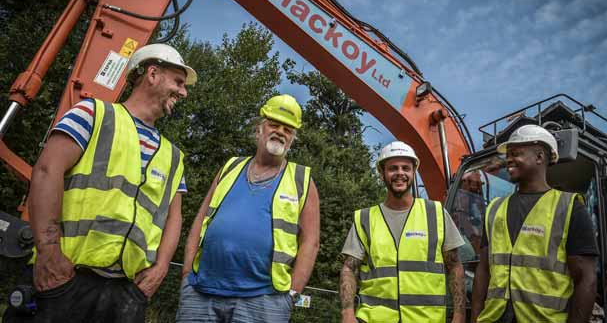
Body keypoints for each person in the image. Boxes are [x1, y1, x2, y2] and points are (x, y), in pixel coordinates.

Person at [25, 43, 196, 323]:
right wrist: (47, 252)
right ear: (152, 74)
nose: (183, 91)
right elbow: (46, 171)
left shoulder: (174, 156)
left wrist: (161, 268)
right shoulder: (93, 114)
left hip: (127, 292)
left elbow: (174, 217)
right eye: (178, 81)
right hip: (67, 277)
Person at [176, 94, 320, 323]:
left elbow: (310, 242)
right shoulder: (231, 166)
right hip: (201, 291)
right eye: (274, 124)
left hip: (264, 299)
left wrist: (292, 294)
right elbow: (201, 220)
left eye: (288, 129)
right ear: (259, 130)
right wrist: (186, 273)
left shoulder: (302, 178)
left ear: (292, 139)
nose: (281, 132)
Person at [471, 125, 598, 323]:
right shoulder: (495, 209)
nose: (509, 160)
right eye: (508, 155)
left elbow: (586, 279)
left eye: (516, 153)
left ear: (539, 157)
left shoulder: (569, 207)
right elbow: (484, 270)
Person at [339, 141, 467, 323]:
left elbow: (454, 266)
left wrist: (459, 315)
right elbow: (349, 268)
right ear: (382, 173)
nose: (400, 173)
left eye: (406, 168)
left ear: (413, 172)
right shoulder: (365, 219)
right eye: (393, 168)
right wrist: (347, 313)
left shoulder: (436, 213)